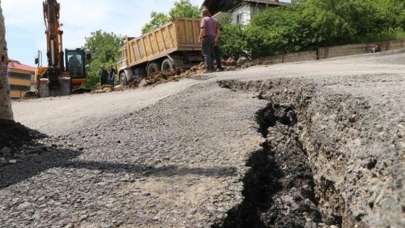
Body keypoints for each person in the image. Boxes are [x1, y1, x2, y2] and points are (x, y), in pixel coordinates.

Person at [199, 8, 216, 73]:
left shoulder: (204, 19)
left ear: (203, 14)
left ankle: (208, 69)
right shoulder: (212, 19)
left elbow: (203, 29)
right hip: (212, 37)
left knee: (206, 53)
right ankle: (213, 68)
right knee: (211, 53)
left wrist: (200, 37)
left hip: (207, 37)